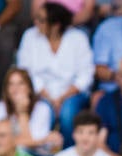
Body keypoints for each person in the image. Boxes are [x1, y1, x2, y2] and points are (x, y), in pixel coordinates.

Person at [16, 0, 94, 147]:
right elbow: (26, 72)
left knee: (67, 114)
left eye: (41, 20)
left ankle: (69, 152)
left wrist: (62, 98)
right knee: (43, 112)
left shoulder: (78, 38)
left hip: (72, 93)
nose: (36, 22)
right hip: (40, 92)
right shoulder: (29, 36)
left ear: (56, 24)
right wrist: (49, 97)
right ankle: (41, 154)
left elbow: (86, 74)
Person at [0, 68, 62, 156]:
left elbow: (31, 145)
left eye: (21, 83)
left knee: (22, 152)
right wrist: (42, 140)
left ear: (29, 87)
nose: (15, 89)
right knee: (19, 150)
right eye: (11, 84)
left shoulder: (42, 108)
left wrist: (23, 113)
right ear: (6, 89)